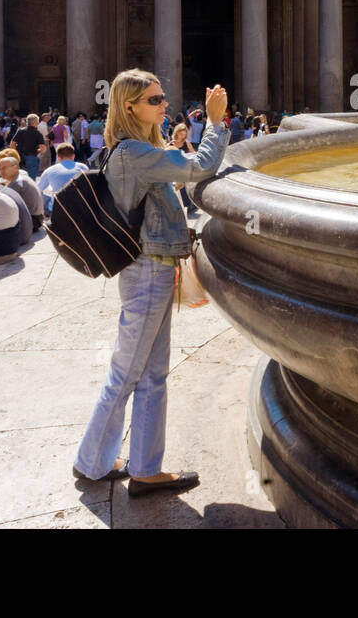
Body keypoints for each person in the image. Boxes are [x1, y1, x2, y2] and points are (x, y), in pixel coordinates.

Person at [72, 70, 229, 495]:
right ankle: (91, 461)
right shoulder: (132, 153)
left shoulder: (137, 150)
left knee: (152, 373)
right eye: (155, 100)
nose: (164, 105)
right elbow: (199, 167)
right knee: (126, 373)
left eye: (163, 98)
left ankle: (143, 467)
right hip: (147, 270)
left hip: (155, 266)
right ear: (129, 107)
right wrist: (215, 123)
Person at [0, 150, 44, 232]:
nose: (1, 172)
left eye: (4, 168)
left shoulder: (16, 183)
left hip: (31, 221)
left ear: (15, 167)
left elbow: (5, 206)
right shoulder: (21, 176)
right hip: (37, 218)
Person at [36, 143, 88, 215]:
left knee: (42, 195)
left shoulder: (49, 170)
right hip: (81, 207)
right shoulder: (83, 167)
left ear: (57, 157)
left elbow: (38, 190)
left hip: (58, 209)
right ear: (73, 156)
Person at [12, 114, 46, 179]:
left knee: (20, 178)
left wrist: (16, 153)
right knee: (31, 179)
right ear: (36, 122)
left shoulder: (20, 131)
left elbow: (12, 144)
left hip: (20, 156)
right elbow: (43, 148)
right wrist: (38, 151)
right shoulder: (38, 133)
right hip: (32, 157)